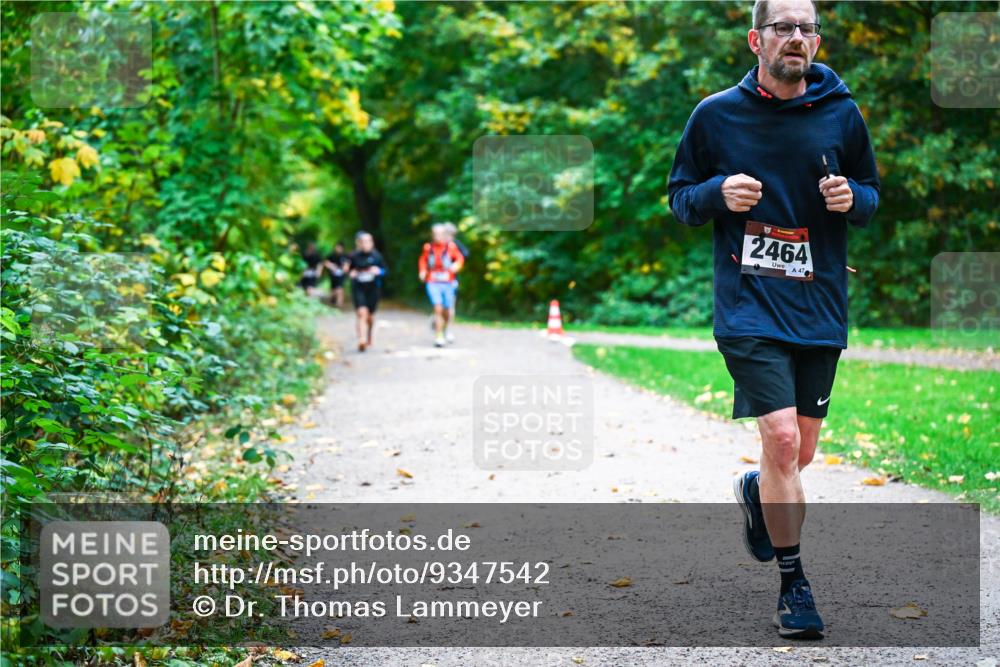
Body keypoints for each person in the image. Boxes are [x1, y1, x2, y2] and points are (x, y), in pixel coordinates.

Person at [667, 0, 879, 640]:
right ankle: (794, 584)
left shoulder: (843, 113)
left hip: (818, 305)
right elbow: (680, 198)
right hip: (748, 303)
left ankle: (758, 490)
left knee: (799, 451)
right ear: (756, 40)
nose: (796, 37)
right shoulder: (716, 115)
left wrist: (852, 197)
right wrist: (715, 193)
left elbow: (869, 197)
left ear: (817, 40)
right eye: (783, 27)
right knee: (783, 438)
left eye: (806, 28)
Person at [418, 224, 464, 347]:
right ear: (432, 235)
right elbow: (423, 260)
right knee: (438, 308)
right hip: (433, 282)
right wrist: (422, 271)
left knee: (447, 310)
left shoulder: (451, 247)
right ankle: (439, 336)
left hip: (448, 283)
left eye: (441, 234)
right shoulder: (428, 248)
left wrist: (456, 266)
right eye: (435, 234)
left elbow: (460, 259)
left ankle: (445, 329)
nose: (438, 237)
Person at [347, 232, 387, 352]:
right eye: (363, 242)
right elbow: (348, 270)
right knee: (361, 313)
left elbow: (385, 270)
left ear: (372, 243)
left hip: (373, 289)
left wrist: (379, 271)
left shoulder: (377, 256)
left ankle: (368, 334)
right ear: (359, 243)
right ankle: (362, 340)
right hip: (358, 288)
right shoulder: (354, 256)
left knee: (370, 316)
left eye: (368, 241)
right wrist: (351, 273)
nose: (366, 244)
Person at [442, 222, 469, 343]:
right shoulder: (436, 246)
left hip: (451, 279)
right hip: (437, 281)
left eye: (452, 235)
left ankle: (447, 330)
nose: (449, 238)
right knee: (440, 306)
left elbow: (465, 254)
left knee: (450, 305)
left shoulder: (455, 245)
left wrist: (455, 264)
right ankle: (438, 322)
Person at [324, 241, 349, 309]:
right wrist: (331, 266)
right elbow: (326, 262)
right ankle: (332, 300)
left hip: (341, 275)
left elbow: (347, 264)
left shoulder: (345, 256)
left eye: (340, 247)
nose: (338, 249)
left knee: (340, 288)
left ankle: (339, 303)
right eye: (337, 247)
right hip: (333, 275)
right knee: (334, 289)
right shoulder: (331, 255)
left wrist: (345, 269)